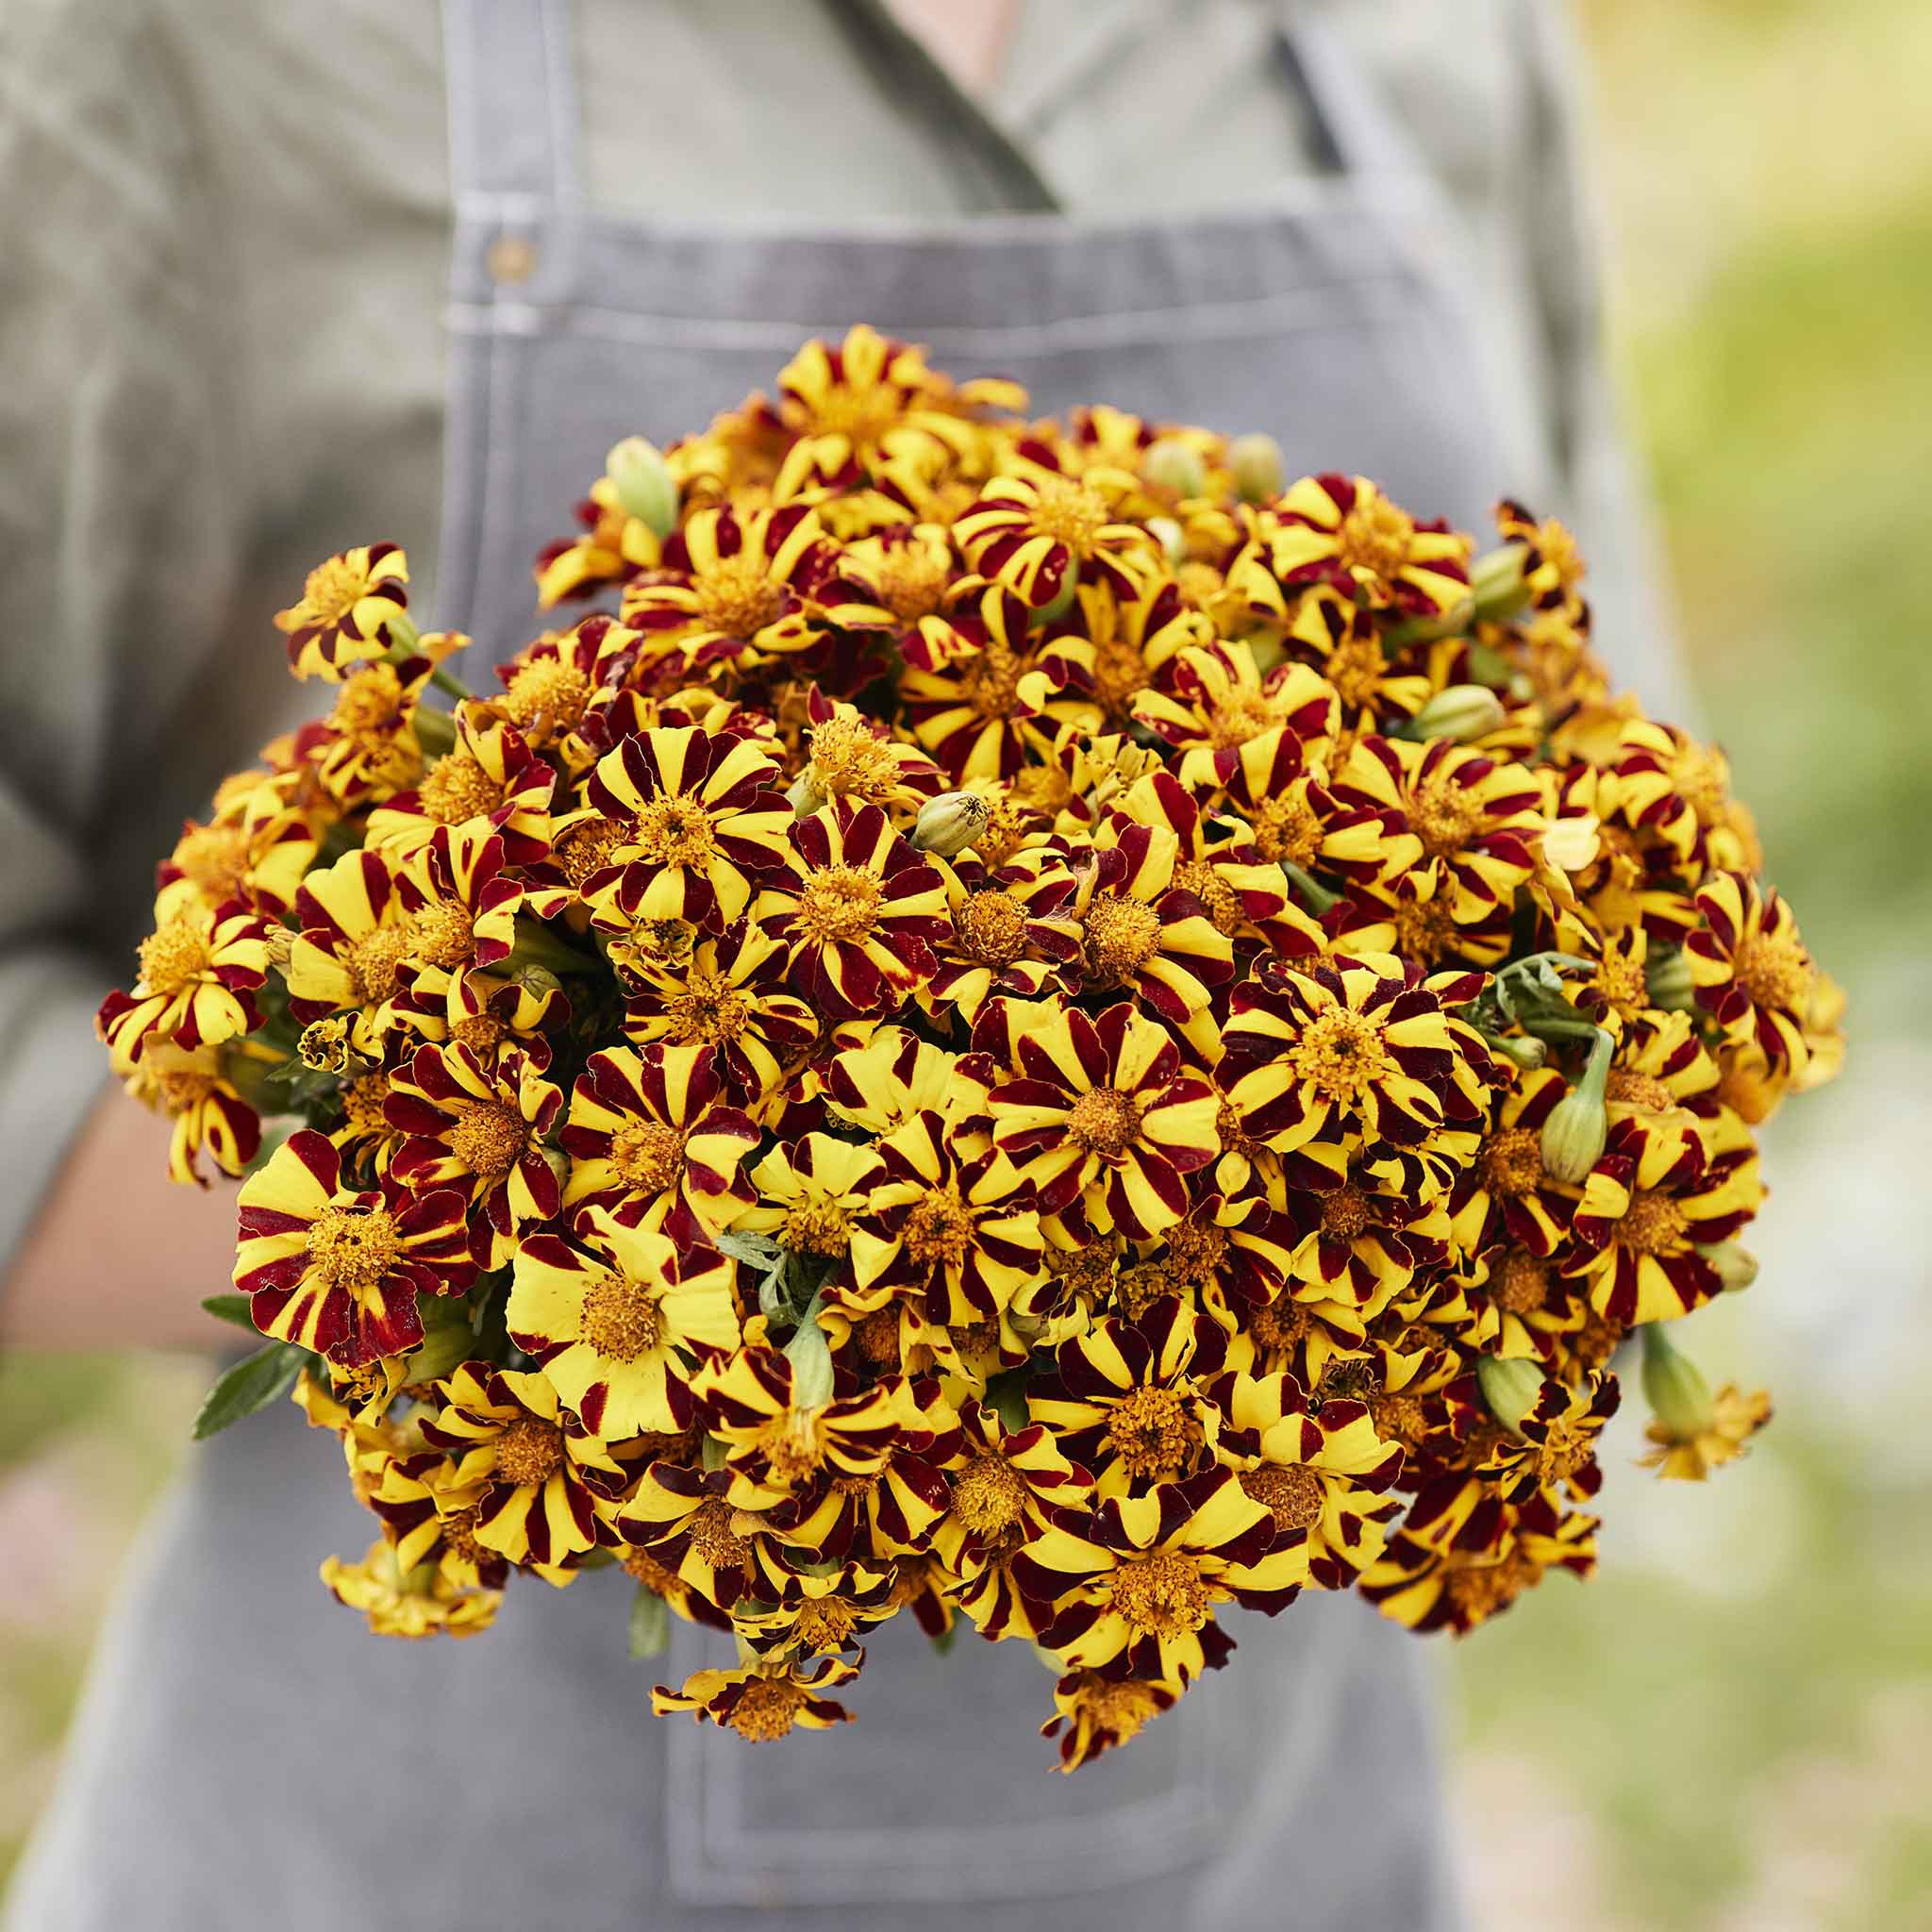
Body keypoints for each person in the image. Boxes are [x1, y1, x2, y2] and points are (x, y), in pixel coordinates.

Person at [0, 2, 1680, 1924]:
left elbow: (1614, 858)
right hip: (442, 1851)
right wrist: (588, 1244)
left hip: (1295, 1853)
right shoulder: (181, 39)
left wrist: (1375, 1186)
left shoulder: (1447, 34)